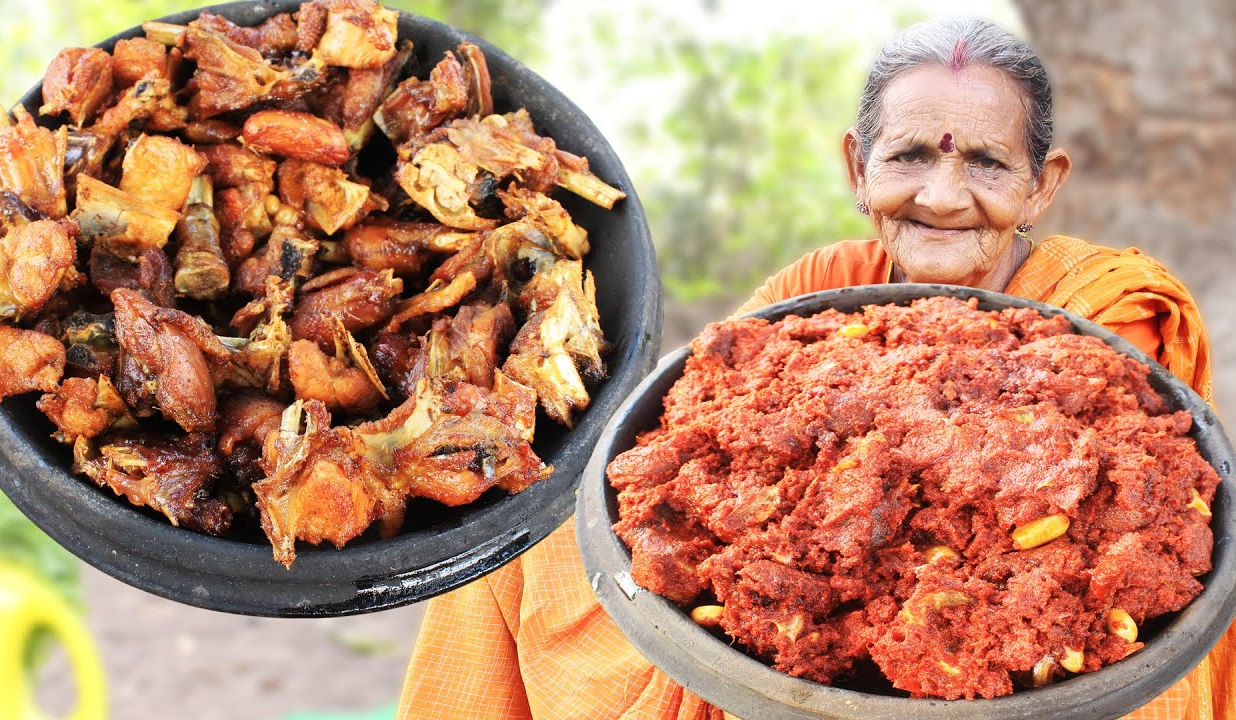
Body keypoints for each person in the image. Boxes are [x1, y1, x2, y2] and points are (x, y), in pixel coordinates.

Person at [397, 17, 1230, 720]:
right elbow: (705, 420)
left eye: (985, 163)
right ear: (857, 168)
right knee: (512, 536)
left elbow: (1115, 518)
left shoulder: (1106, 308)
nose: (942, 196)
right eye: (909, 157)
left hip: (1013, 655)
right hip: (782, 604)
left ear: (1041, 186)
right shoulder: (817, 286)